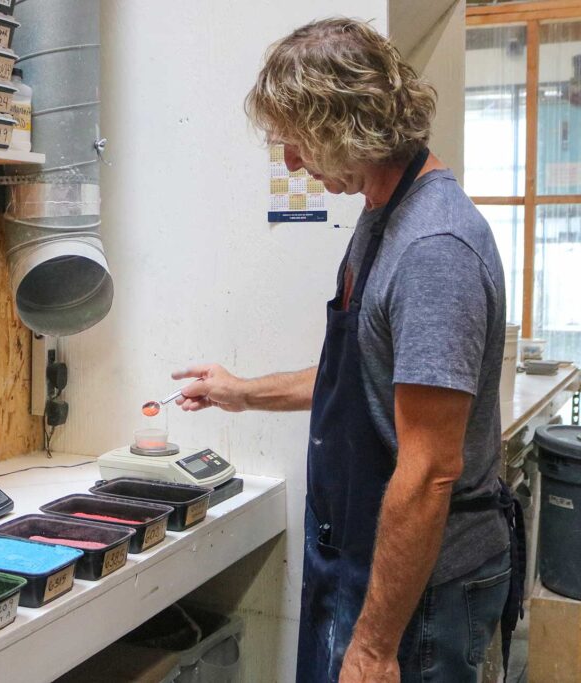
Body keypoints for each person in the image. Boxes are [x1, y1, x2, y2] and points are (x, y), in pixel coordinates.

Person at [173, 18, 524, 683]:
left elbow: (429, 471)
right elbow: (362, 377)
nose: (292, 163)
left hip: (425, 597)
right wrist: (241, 391)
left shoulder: (433, 249)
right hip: (371, 567)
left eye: (299, 142)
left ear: (346, 128)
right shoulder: (381, 217)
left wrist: (374, 647)